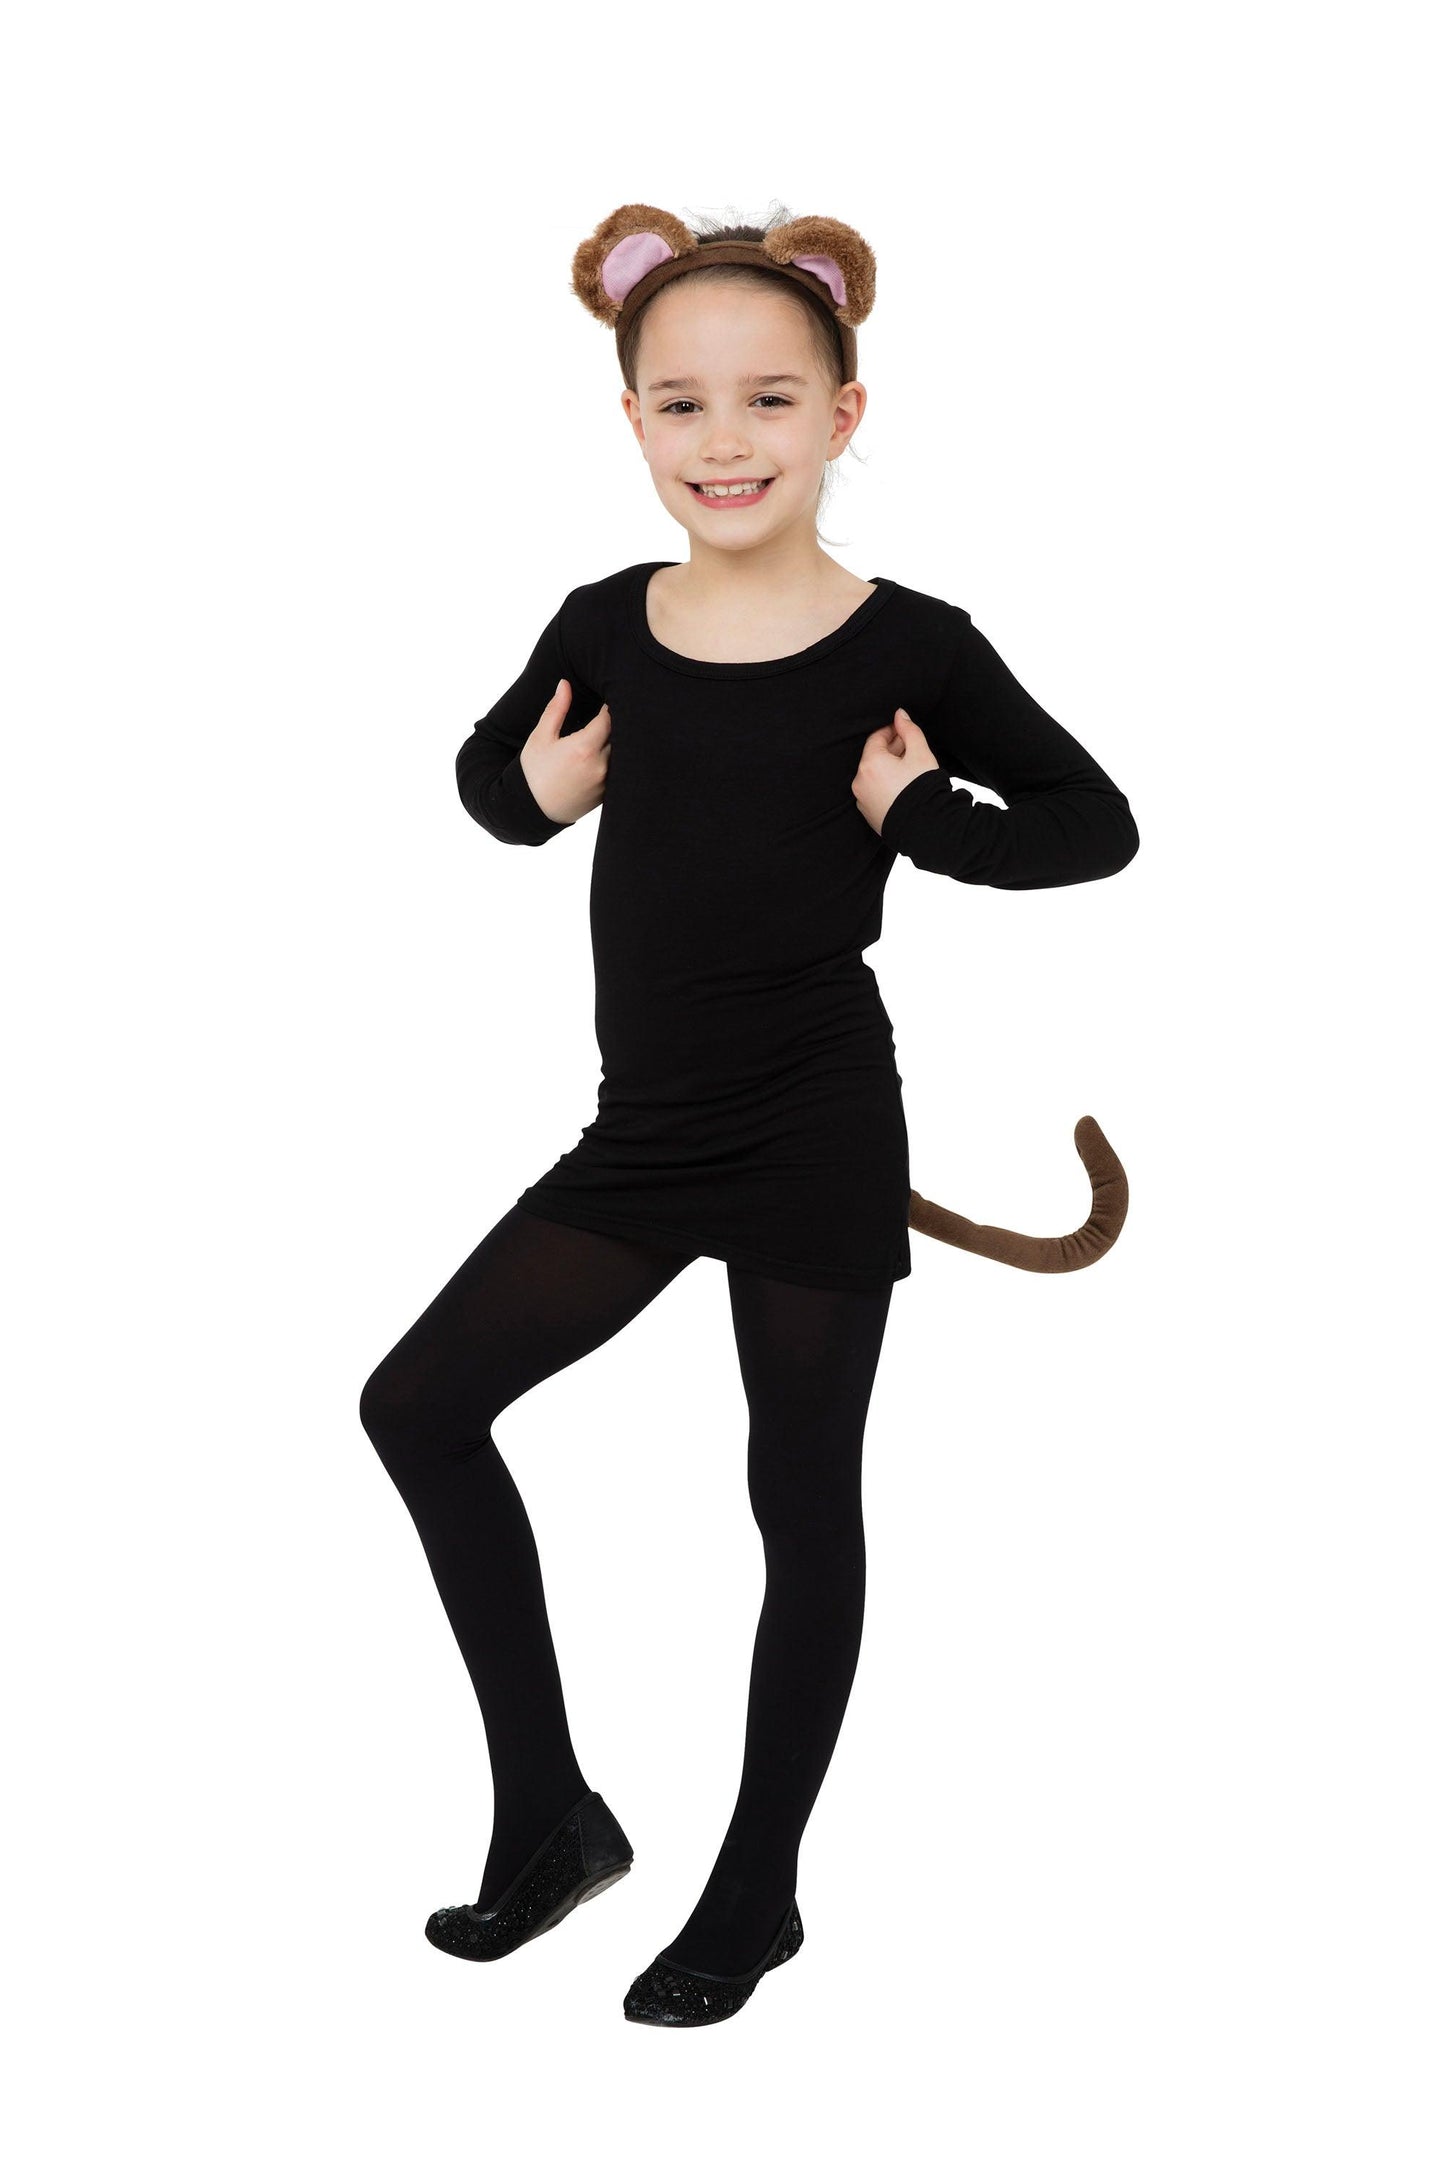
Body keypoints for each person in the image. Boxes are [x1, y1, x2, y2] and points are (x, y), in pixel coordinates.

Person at [358, 201, 1140, 2029]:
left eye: (770, 399)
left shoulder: (912, 644)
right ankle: (550, 1820)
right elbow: (488, 780)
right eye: (683, 402)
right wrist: (533, 793)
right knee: (417, 1406)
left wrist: (920, 822)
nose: (726, 440)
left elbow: (1092, 825)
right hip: (644, 1136)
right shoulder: (602, 622)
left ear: (843, 413)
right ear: (631, 419)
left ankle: (755, 1888)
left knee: (796, 1493)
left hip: (810, 1128)